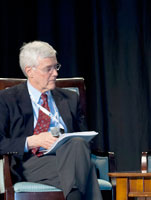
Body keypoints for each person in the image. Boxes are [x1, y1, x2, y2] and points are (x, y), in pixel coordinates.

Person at [0, 41, 102, 200]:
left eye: (56, 67)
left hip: (71, 156)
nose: (55, 73)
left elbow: (85, 139)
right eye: (49, 69)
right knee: (82, 170)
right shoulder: (7, 99)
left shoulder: (70, 98)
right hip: (32, 162)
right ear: (30, 71)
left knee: (77, 144)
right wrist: (31, 141)